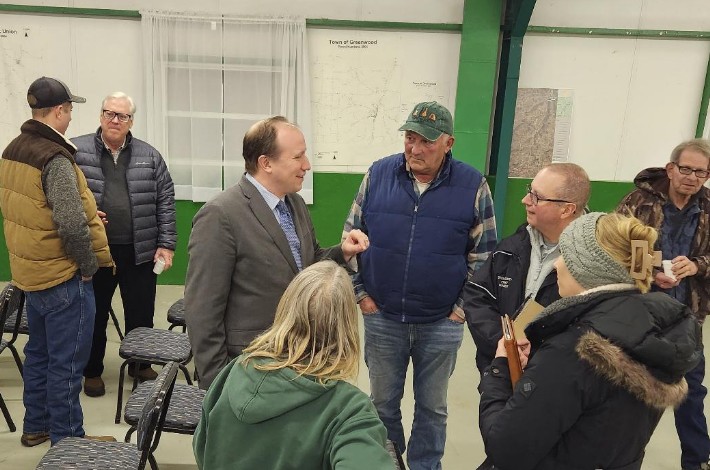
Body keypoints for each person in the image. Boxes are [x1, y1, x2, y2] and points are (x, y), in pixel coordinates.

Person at [478, 212, 702, 470]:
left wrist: (500, 370)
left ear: (587, 267)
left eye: (565, 255)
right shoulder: (654, 333)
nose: (556, 265)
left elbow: (507, 450)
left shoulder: (573, 350)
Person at [342, 101, 497, 470]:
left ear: (448, 143)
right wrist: (361, 295)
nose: (414, 148)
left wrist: (460, 310)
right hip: (382, 317)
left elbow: (485, 255)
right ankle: (388, 464)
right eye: (410, 138)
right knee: (382, 404)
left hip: (441, 322)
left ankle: (426, 466)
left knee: (432, 408)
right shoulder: (378, 174)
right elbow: (351, 237)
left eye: (426, 141)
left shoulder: (472, 185)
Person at [185, 116, 368, 390]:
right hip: (248, 367)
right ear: (266, 163)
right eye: (298, 156)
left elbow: (306, 264)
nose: (307, 165)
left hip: (297, 359)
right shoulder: (220, 215)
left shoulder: (294, 203)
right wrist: (217, 386)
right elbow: (203, 311)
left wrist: (342, 252)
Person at [0, 77, 115, 445]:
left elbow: (33, 210)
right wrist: (87, 266)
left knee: (39, 355)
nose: (71, 116)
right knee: (66, 363)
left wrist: (86, 213)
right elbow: (68, 221)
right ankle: (69, 443)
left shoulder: (14, 149)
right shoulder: (55, 157)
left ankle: (37, 426)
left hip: (30, 273)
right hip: (62, 275)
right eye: (69, 110)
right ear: (60, 111)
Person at [193, 260, 394, 469]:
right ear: (347, 326)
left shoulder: (236, 369)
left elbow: (202, 447)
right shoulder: (349, 411)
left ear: (286, 309)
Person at [72, 92, 177, 397]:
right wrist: (86, 214)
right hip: (96, 250)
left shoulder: (150, 156)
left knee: (141, 311)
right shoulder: (76, 152)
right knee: (94, 313)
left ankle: (140, 365)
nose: (115, 120)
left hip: (139, 250)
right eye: (110, 113)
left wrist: (166, 244)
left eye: (122, 116)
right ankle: (92, 370)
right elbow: (63, 197)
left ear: (131, 121)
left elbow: (165, 202)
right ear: (101, 115)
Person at [616, 138, 710, 470]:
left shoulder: (708, 207)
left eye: (701, 172)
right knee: (630, 389)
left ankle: (697, 461)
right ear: (670, 169)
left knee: (692, 391)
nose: (692, 177)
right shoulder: (637, 202)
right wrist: (649, 272)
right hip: (640, 312)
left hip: (688, 316)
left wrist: (697, 265)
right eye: (686, 169)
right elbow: (612, 246)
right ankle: (619, 459)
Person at [465, 163, 590, 373]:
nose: (525, 200)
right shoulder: (510, 248)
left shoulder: (592, 263)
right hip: (501, 372)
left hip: (555, 379)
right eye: (529, 191)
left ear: (567, 209)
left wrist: (535, 358)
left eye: (536, 197)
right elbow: (478, 296)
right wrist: (504, 345)